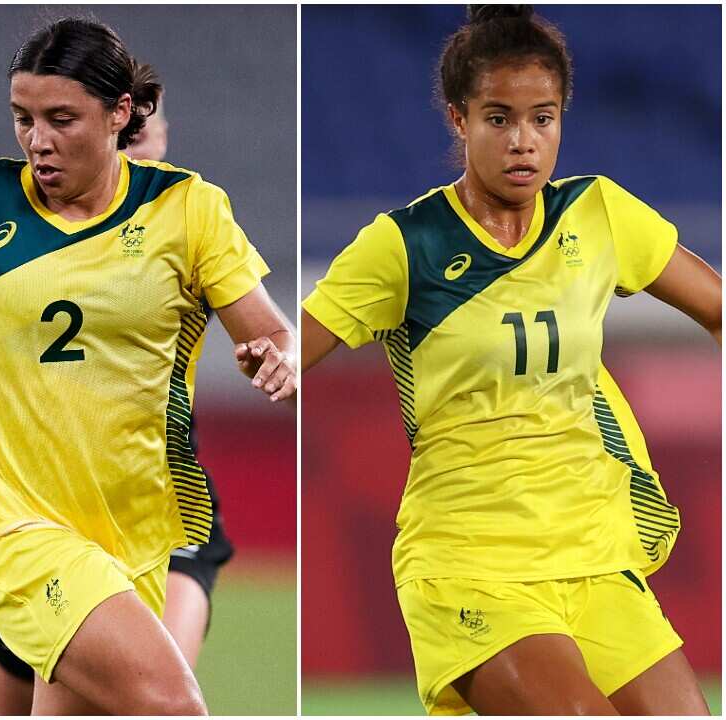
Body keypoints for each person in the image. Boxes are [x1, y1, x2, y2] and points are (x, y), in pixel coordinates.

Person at [301, 5, 719, 715]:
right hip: (472, 569)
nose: (523, 141)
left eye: (543, 119)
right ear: (460, 119)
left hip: (594, 557)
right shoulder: (407, 245)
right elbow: (283, 356)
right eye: (499, 119)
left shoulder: (598, 213)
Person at [0, 17, 294, 715]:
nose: (37, 139)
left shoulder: (188, 211)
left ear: (119, 115)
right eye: (23, 118)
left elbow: (274, 335)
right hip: (13, 522)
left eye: (60, 118)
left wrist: (279, 364)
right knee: (174, 705)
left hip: (132, 530)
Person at [0, 98, 234, 714]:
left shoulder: (186, 226)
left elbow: (267, 331)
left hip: (158, 512)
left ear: (159, 135)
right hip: (37, 509)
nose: (127, 142)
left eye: (141, 128)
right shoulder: (23, 255)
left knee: (156, 697)